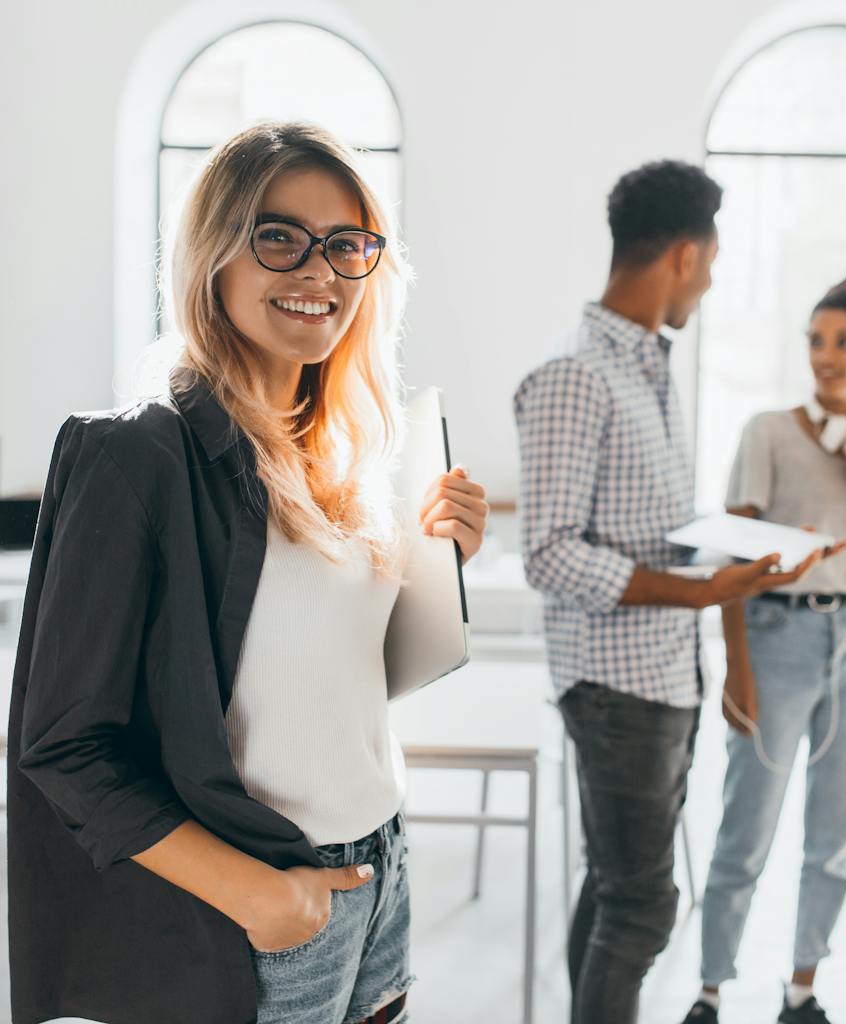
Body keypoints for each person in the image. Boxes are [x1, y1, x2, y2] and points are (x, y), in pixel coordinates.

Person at [6, 121, 488, 1024]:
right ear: (214, 256)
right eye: (279, 237)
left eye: (345, 245)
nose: (318, 270)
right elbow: (63, 746)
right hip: (259, 895)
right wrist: (259, 895)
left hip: (380, 871)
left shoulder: (348, 451)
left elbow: (325, 679)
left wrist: (440, 566)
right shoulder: (136, 455)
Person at [513, 160, 837, 1024]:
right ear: (685, 256)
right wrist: (699, 594)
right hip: (614, 687)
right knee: (644, 906)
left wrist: (751, 550)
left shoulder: (648, 369)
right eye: (714, 262)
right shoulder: (575, 375)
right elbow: (547, 554)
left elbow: (651, 522)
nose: (712, 281)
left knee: (616, 889)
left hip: (660, 677)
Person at [682, 275, 846, 1024]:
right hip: (776, 635)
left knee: (834, 829)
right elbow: (731, 555)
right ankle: (710, 992)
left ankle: (802, 989)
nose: (826, 356)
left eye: (844, 342)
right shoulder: (768, 433)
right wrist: (736, 667)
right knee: (747, 824)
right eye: (816, 340)